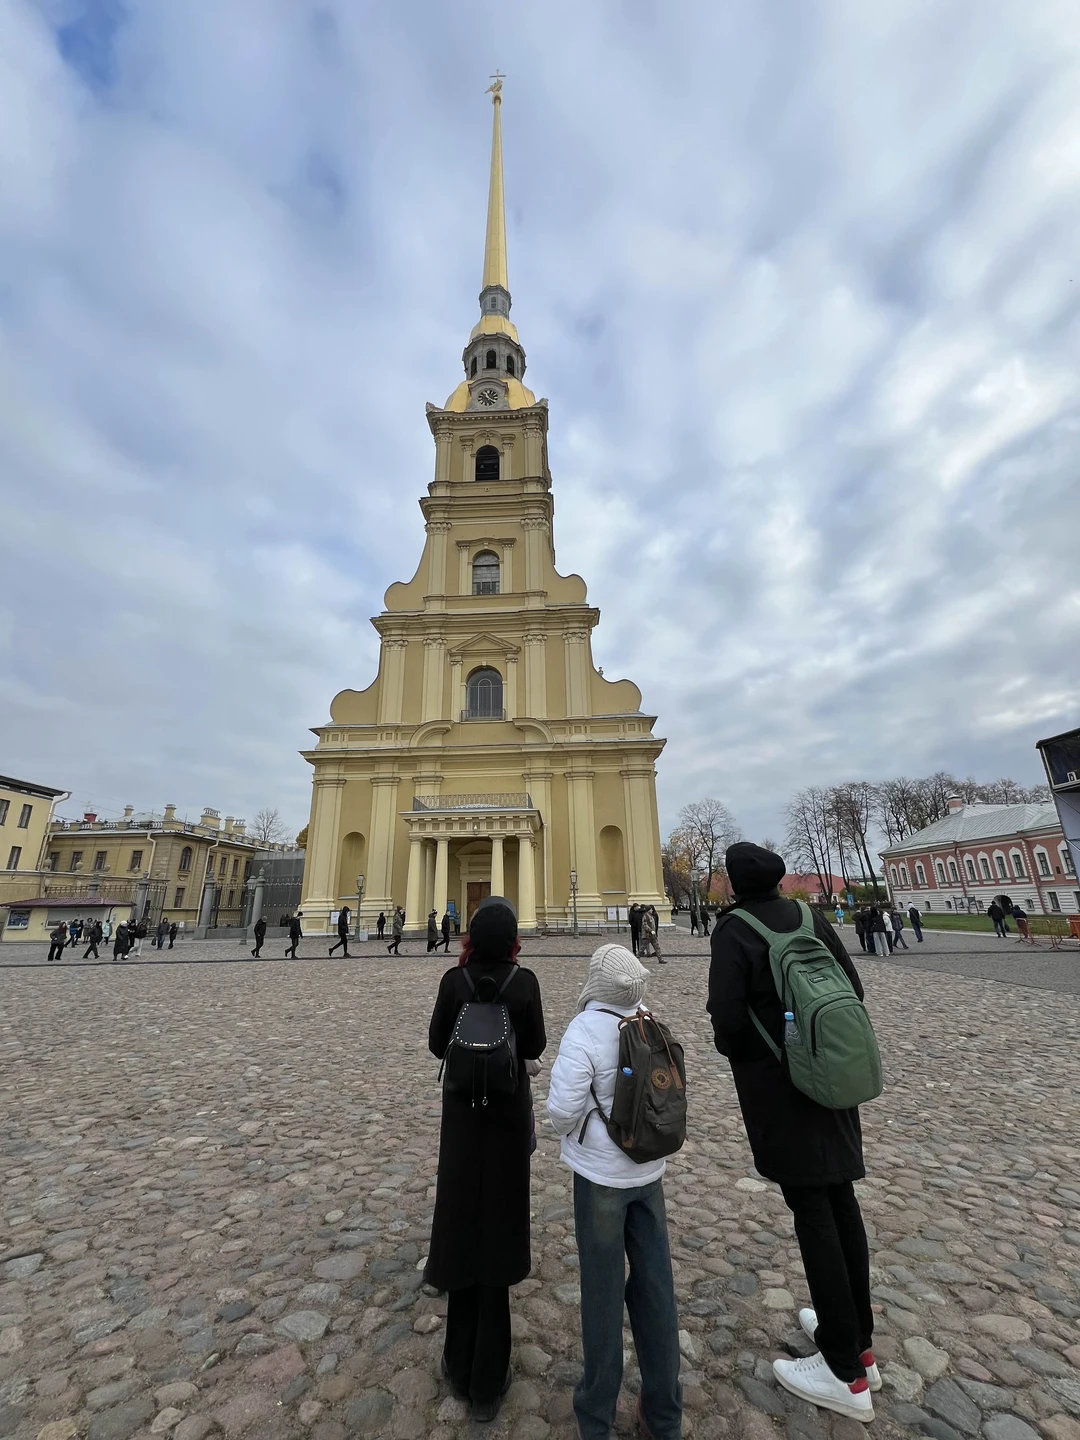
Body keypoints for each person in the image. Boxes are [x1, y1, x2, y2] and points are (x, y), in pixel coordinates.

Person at [709, 843, 877, 1422]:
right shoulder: (812, 917)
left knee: (812, 1211)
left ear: (733, 885)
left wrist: (765, 1055)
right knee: (840, 1198)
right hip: (832, 1076)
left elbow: (727, 1020)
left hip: (781, 1090)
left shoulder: (735, 929)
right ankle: (857, 1340)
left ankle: (843, 1373)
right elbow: (852, 990)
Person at [547, 944, 683, 1440]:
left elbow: (562, 1111)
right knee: (656, 1289)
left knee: (601, 1294)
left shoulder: (585, 1028)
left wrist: (565, 1125)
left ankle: (596, 1417)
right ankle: (665, 1416)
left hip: (602, 1179)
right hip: (648, 1173)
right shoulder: (649, 1020)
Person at [425, 897, 546, 1424]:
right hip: (506, 1127)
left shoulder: (454, 982)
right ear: (514, 937)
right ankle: (489, 1381)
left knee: (459, 1227)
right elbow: (536, 1044)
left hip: (462, 1130)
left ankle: (457, 1362)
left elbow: (435, 1046)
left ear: (470, 936)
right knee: (498, 1231)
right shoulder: (525, 983)